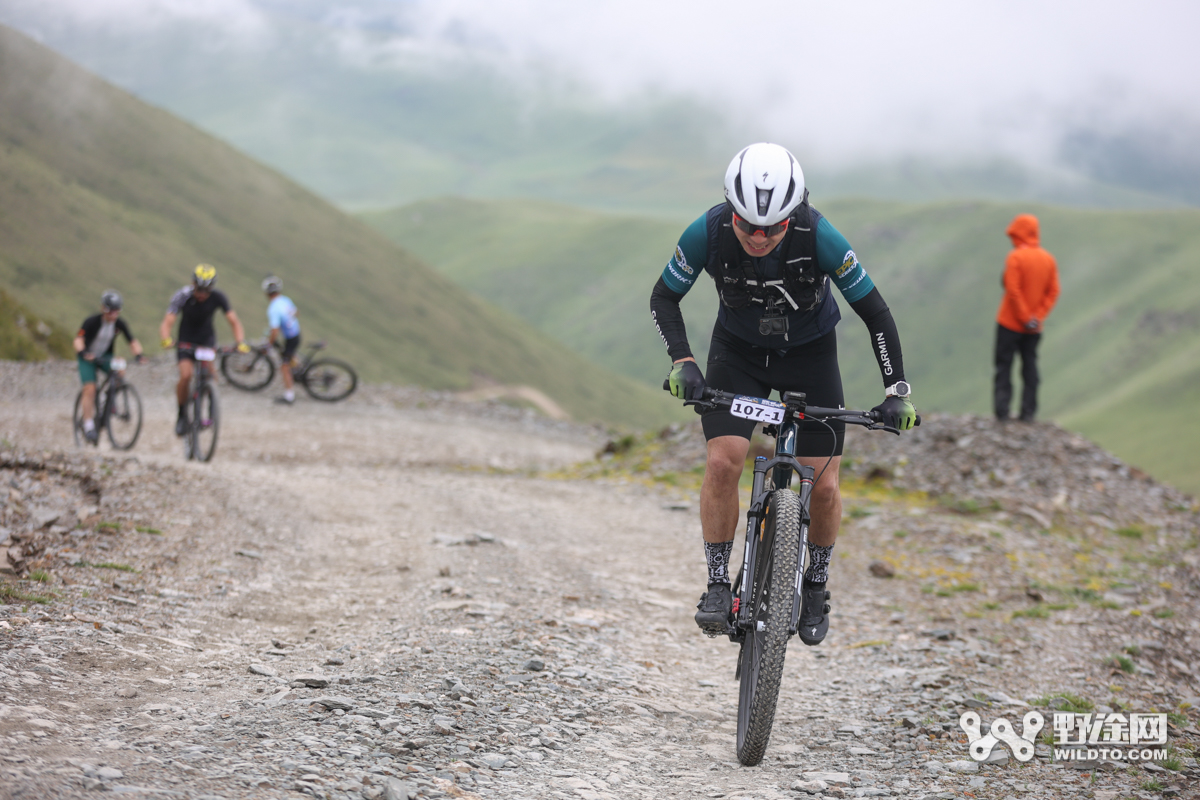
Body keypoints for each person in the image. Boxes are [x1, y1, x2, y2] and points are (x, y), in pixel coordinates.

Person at [649, 143, 917, 645]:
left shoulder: (820, 236)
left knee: (824, 484)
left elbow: (876, 312)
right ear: (730, 209)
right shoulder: (705, 233)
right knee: (724, 461)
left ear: (791, 217)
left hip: (810, 354)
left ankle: (815, 584)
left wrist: (896, 390)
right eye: (746, 223)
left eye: (771, 227)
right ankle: (715, 584)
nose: (757, 235)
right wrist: (683, 361)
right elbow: (664, 296)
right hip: (738, 352)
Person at [158, 264, 249, 435]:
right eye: (199, 289)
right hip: (186, 340)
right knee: (186, 375)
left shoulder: (218, 297)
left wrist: (240, 342)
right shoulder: (182, 296)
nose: (202, 294)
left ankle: (207, 407)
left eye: (207, 290)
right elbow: (168, 321)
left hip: (206, 340)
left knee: (211, 376)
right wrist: (166, 338)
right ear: (193, 283)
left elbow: (234, 321)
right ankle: (181, 414)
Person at [994, 214, 1059, 422]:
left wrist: (1023, 316)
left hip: (1009, 324)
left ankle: (1002, 412)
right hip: (1033, 328)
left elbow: (1012, 289)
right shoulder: (1048, 259)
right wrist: (1036, 317)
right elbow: (1054, 291)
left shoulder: (1015, 258)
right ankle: (1028, 412)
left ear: (1018, 233)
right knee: (1030, 366)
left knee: (1004, 366)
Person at [74, 291, 145, 443]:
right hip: (88, 357)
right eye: (110, 310)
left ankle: (110, 399)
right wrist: (83, 352)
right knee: (90, 388)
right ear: (103, 309)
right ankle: (88, 425)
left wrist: (139, 355)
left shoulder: (119, 324)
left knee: (120, 371)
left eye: (116, 311)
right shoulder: (91, 322)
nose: (113, 314)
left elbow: (132, 341)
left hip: (105, 356)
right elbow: (79, 339)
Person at [262, 275, 301, 405]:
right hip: (295, 333)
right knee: (290, 356)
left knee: (284, 366)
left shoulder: (273, 308)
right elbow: (296, 312)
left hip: (290, 338)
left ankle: (289, 396)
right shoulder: (285, 299)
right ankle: (297, 368)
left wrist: (269, 343)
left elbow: (274, 330)